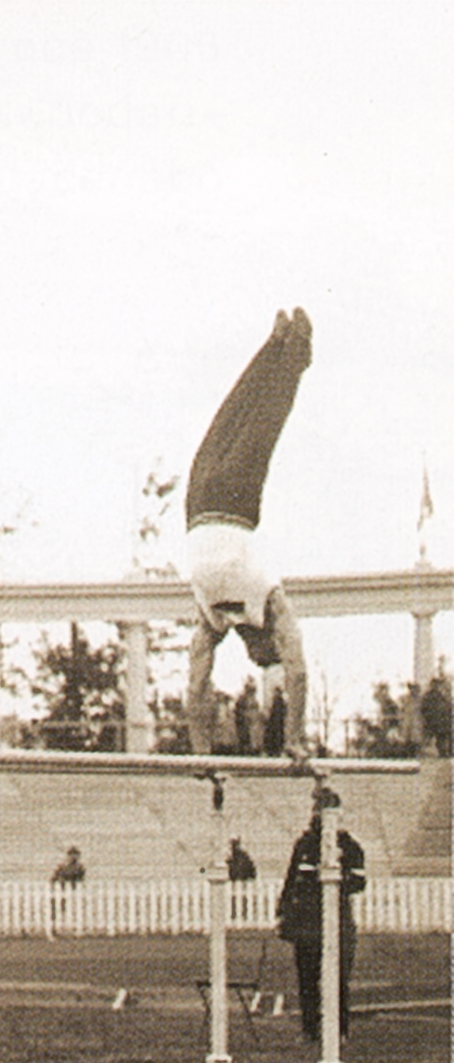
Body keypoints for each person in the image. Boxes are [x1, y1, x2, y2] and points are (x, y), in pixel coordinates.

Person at [183, 309, 315, 760]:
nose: (261, 645)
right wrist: (294, 738)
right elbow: (294, 672)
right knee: (261, 423)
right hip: (221, 506)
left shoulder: (215, 619)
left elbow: (196, 681)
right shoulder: (265, 603)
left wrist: (202, 748)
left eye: (259, 650)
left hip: (200, 502)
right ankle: (291, 349)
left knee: (234, 412)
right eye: (268, 649)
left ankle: (277, 345)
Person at [277, 793, 366, 1042]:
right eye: (316, 809)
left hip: (338, 924)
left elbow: (358, 882)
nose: (318, 815)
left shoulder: (349, 845)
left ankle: (339, 1031)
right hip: (308, 925)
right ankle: (310, 1030)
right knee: (307, 979)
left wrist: (331, 879)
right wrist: (284, 913)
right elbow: (291, 880)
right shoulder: (304, 844)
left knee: (337, 980)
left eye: (325, 810)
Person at [50, 845, 87, 937]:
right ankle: (55, 929)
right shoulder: (62, 867)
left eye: (75, 855)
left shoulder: (79, 868)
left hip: (74, 893)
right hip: (61, 892)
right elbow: (54, 878)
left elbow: (79, 878)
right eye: (71, 855)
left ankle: (73, 929)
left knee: (74, 911)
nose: (73, 857)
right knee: (58, 910)